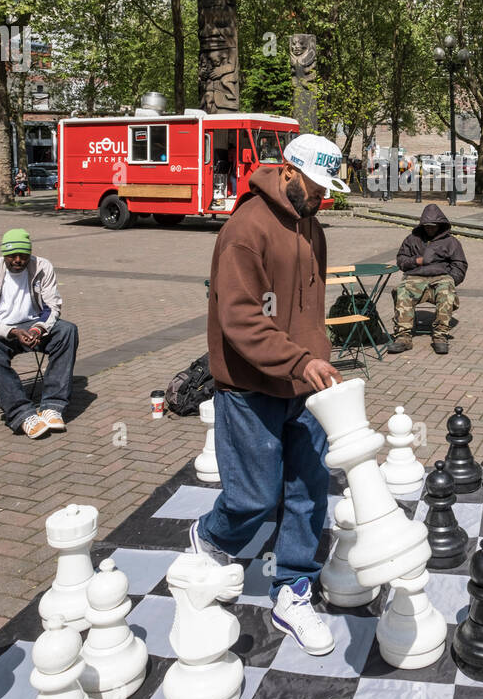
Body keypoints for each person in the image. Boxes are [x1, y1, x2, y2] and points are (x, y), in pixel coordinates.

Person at [191, 134, 350, 657]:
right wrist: (301, 360)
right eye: (316, 186)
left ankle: (294, 589)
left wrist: (317, 355)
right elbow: (239, 319)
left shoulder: (314, 226)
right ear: (287, 172)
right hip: (250, 386)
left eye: (328, 189)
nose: (321, 197)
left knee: (308, 491)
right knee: (254, 498)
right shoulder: (244, 230)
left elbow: (310, 307)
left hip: (303, 386)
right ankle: (212, 537)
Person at [0, 229, 79, 438]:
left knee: (67, 331)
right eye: (12, 256)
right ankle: (22, 413)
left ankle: (52, 407)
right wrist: (11, 331)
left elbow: (52, 306)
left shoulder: (41, 267)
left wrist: (40, 328)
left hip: (34, 325)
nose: (18, 260)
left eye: (23, 255)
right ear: (4, 254)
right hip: (0, 330)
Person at [386, 203, 468, 355]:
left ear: (440, 225)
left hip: (441, 277)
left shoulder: (451, 242)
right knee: (402, 291)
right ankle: (403, 337)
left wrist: (451, 279)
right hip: (415, 277)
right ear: (422, 225)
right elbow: (401, 261)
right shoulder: (412, 239)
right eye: (427, 226)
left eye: (433, 226)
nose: (430, 229)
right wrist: (417, 261)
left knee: (446, 292)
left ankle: (440, 336)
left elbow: (460, 264)